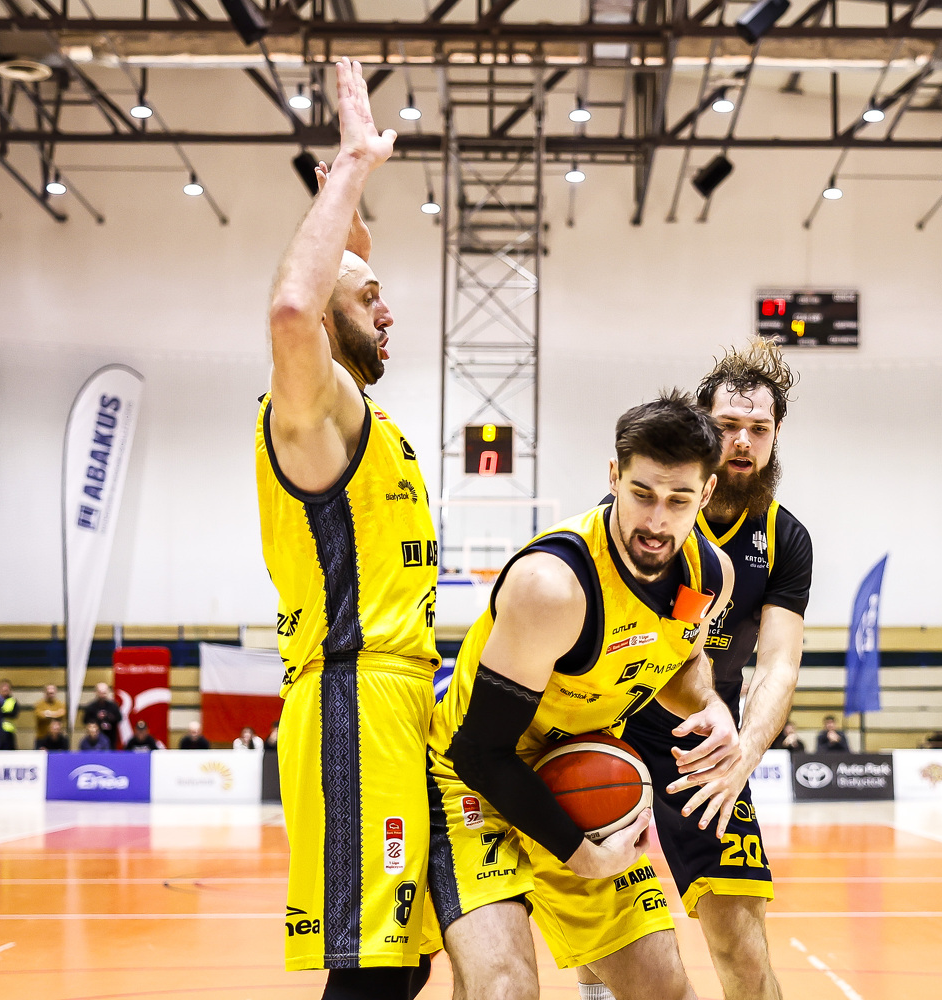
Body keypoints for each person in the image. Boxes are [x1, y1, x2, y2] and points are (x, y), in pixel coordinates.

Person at [425, 392, 739, 1000]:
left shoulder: (711, 576)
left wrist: (710, 705)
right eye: (642, 493)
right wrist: (580, 855)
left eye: (678, 500)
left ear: (705, 494)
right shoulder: (553, 587)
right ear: (614, 476)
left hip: (578, 777)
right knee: (505, 990)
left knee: (666, 989)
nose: (656, 521)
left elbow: (681, 664)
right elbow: (481, 753)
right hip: (472, 784)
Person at [258, 59, 440, 996]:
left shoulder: (367, 418)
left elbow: (330, 282)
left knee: (404, 966)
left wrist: (349, 215)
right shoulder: (313, 409)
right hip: (352, 700)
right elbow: (296, 304)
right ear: (329, 328)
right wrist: (357, 166)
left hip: (400, 701)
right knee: (369, 976)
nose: (388, 307)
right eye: (368, 298)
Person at [590, 340, 811, 1000]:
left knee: (741, 941)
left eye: (759, 429)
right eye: (729, 425)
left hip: (707, 739)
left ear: (775, 436)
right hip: (611, 722)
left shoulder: (785, 537)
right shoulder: (640, 516)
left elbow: (778, 663)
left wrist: (743, 755)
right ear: (704, 429)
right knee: (609, 932)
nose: (743, 441)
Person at [82, 683, 122, 750]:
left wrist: (110, 717)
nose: (102, 695)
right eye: (100, 693)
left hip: (111, 737)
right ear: (96, 692)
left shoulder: (113, 706)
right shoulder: (91, 707)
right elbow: (85, 721)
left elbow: (119, 718)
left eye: (104, 693)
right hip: (95, 740)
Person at [0, 679, 20, 750]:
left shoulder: (13, 701)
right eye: (3, 688)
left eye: (7, 689)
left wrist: (1, 713)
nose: (5, 690)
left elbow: (14, 714)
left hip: (8, 731)